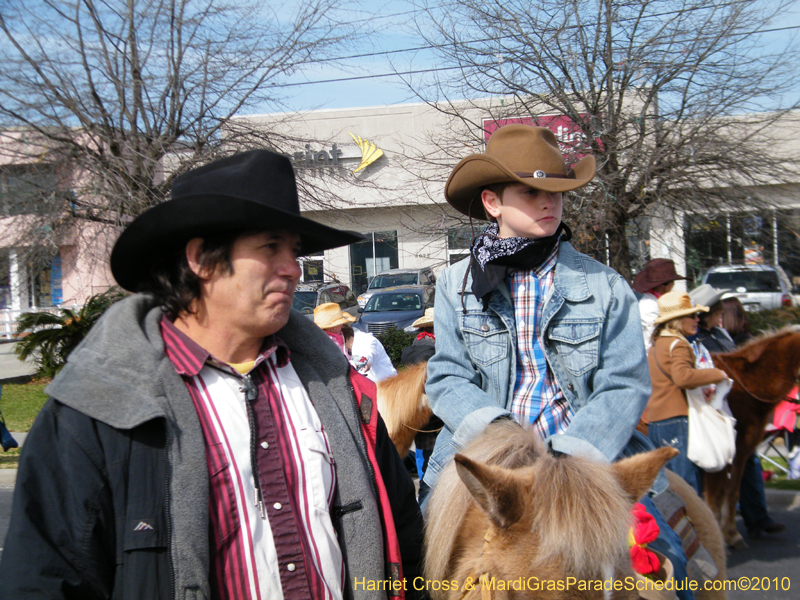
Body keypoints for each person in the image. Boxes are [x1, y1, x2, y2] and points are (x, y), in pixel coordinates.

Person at [0, 150, 424, 600]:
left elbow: (406, 538)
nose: (293, 269)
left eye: (294, 251)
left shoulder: (338, 391)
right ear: (201, 259)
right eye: (270, 247)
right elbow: (45, 579)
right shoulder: (96, 410)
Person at [424, 124, 694, 598]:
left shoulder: (606, 285)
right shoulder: (452, 285)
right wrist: (502, 431)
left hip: (585, 459)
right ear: (493, 203)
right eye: (530, 192)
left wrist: (572, 456)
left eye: (556, 192)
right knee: (417, 554)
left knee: (670, 563)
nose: (549, 203)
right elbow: (446, 375)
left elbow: (624, 384)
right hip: (492, 462)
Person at [716, 296, 786, 539]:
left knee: (747, 463)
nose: (719, 319)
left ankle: (754, 516)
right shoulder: (721, 337)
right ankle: (750, 517)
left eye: (722, 315)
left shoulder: (738, 342)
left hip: (737, 411)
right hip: (727, 410)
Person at [645, 290, 728, 496]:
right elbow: (682, 377)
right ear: (677, 320)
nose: (697, 319)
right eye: (692, 315)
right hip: (676, 421)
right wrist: (717, 374)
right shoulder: (679, 344)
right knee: (687, 487)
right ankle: (694, 528)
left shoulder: (656, 345)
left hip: (656, 422)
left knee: (667, 488)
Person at [399, 308, 441, 480]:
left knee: (422, 451)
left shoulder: (416, 345)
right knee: (435, 454)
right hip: (433, 408)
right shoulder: (434, 349)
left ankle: (424, 482)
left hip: (416, 406)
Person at [633, 259, 688, 352]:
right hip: (652, 357)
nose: (673, 286)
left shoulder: (656, 302)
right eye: (672, 282)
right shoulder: (649, 306)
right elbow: (654, 338)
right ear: (664, 285)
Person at [689, 284, 735, 354]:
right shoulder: (695, 337)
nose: (721, 315)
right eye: (718, 313)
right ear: (709, 315)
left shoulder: (721, 332)